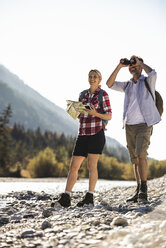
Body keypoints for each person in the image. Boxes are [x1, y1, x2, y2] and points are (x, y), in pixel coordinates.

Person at [51, 69, 112, 207]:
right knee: (73, 166)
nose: (92, 78)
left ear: (99, 79)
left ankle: (89, 197)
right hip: (83, 133)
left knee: (92, 166)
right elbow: (80, 116)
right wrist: (72, 110)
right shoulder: (82, 94)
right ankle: (66, 196)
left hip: (97, 133)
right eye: (90, 76)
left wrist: (94, 113)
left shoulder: (103, 94)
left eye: (95, 76)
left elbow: (109, 116)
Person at [106, 55, 161, 202]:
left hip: (144, 124)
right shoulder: (127, 85)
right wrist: (119, 66)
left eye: (135, 64)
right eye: (131, 65)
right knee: (135, 159)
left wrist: (141, 63)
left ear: (141, 66)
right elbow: (109, 84)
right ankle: (138, 190)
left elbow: (153, 73)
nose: (133, 67)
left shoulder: (147, 81)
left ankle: (144, 189)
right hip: (129, 125)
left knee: (141, 154)